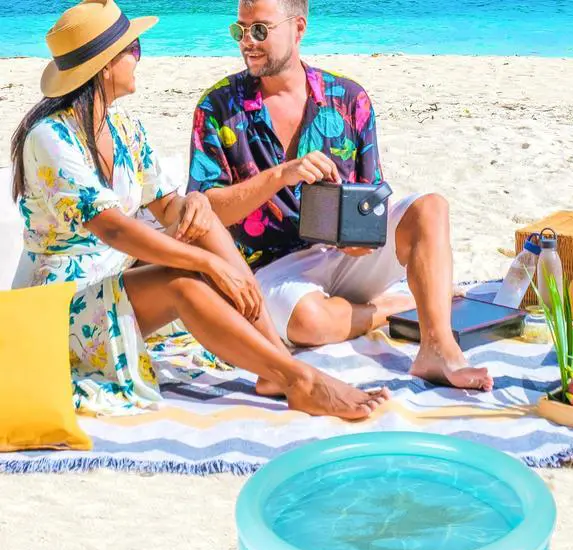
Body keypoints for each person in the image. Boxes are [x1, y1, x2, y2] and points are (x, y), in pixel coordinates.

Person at [10, 0, 389, 419]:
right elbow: (115, 230)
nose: (139, 59)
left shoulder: (123, 130)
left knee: (202, 217)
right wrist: (210, 264)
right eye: (133, 50)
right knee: (184, 285)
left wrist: (195, 204)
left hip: (114, 282)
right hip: (60, 302)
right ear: (104, 67)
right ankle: (297, 378)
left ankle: (277, 363)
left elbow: (170, 208)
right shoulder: (50, 137)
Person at [187, 0, 493, 392]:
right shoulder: (217, 106)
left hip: (347, 258)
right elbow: (204, 210)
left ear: (298, 28)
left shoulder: (348, 98)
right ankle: (394, 305)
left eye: (259, 30)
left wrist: (362, 237)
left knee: (430, 207)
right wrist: (279, 176)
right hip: (273, 270)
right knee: (310, 323)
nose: (247, 41)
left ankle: (438, 347)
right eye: (239, 30)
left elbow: (373, 196)